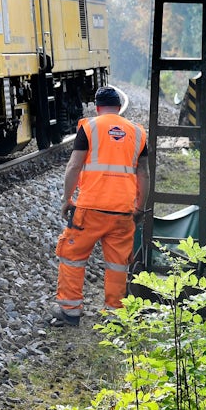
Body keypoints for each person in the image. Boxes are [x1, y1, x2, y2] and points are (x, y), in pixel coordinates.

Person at [50, 85, 149, 327]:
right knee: (117, 264)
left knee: (72, 256)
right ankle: (115, 315)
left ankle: (70, 312)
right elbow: (144, 173)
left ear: (96, 107)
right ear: (118, 107)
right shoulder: (137, 132)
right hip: (124, 211)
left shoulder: (90, 127)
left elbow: (74, 167)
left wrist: (67, 199)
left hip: (90, 209)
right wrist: (139, 207)